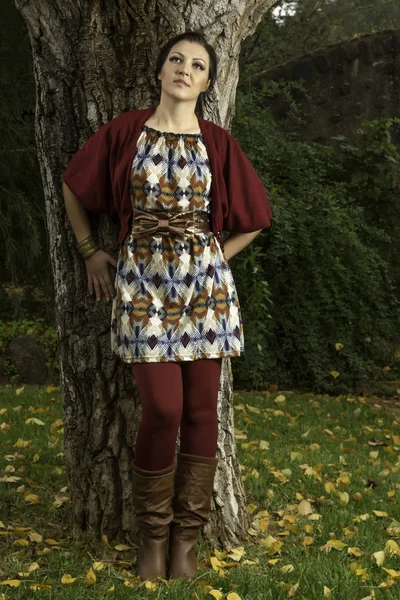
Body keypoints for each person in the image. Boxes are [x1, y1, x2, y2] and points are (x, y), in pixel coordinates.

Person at [63, 30, 272, 582]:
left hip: (204, 292)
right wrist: (90, 251)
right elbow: (73, 185)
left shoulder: (217, 142)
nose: (185, 69)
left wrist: (214, 258)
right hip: (141, 291)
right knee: (163, 409)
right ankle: (151, 537)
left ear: (207, 82)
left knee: (203, 411)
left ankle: (185, 541)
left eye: (198, 65)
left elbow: (255, 217)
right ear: (160, 72)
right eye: (176, 60)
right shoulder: (126, 132)